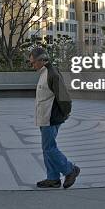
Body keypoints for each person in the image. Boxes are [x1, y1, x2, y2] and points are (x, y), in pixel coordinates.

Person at [29, 46, 81, 189]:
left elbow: (64, 97)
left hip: (50, 118)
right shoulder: (44, 72)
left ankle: (70, 170)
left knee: (50, 148)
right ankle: (53, 178)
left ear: (41, 60)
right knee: (47, 148)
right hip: (44, 117)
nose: (32, 65)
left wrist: (65, 113)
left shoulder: (52, 74)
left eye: (33, 62)